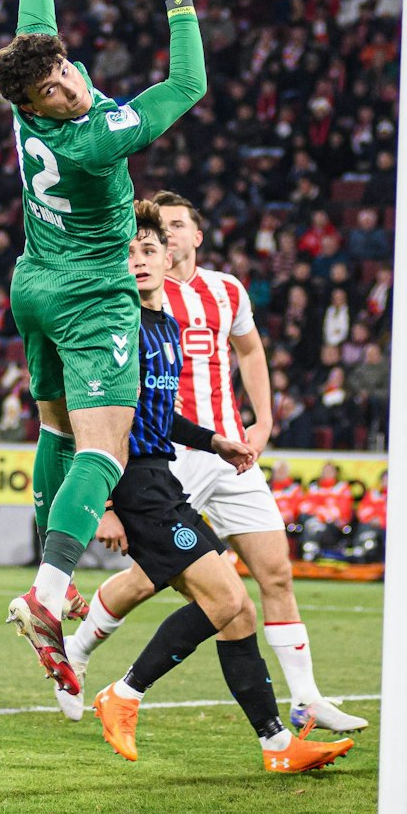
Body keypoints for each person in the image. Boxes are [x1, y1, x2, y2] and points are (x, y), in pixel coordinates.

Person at [0, 0, 207, 693]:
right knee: (104, 450)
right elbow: (184, 88)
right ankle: (48, 595)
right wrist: (179, 1)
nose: (69, 87)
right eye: (51, 90)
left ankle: (48, 579)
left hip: (32, 283)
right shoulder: (91, 139)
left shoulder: (31, 99)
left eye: (65, 73)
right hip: (88, 294)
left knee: (53, 431)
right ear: (33, 104)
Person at [59, 191, 368, 732]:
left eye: (177, 226)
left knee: (276, 573)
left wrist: (262, 421)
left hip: (225, 451)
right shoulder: (134, 300)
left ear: (194, 236)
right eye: (157, 231)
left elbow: (251, 351)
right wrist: (107, 501)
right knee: (151, 580)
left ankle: (306, 699)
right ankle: (79, 650)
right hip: (168, 457)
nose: (167, 235)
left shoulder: (226, 290)